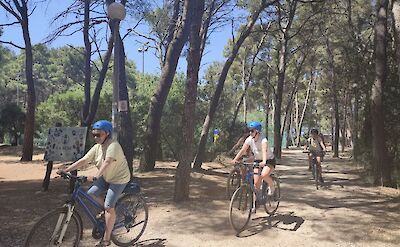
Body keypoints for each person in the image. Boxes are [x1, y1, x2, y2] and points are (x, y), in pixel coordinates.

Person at [59, 120, 130, 247]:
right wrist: (67, 170)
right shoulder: (97, 147)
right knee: (91, 193)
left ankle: (107, 239)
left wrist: (96, 176)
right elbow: (84, 160)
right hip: (107, 176)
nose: (96, 137)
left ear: (107, 134)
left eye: (99, 135)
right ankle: (108, 212)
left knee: (108, 207)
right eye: (94, 135)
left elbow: (107, 161)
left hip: (119, 179)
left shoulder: (113, 146)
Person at [231, 121, 276, 210]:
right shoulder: (249, 139)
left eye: (252, 131)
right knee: (256, 184)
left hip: (269, 160)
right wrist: (235, 159)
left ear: (257, 131)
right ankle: (255, 204)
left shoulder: (263, 140)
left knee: (264, 175)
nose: (250, 132)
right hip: (258, 160)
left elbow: (264, 150)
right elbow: (243, 150)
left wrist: (264, 161)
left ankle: (272, 186)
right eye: (249, 130)